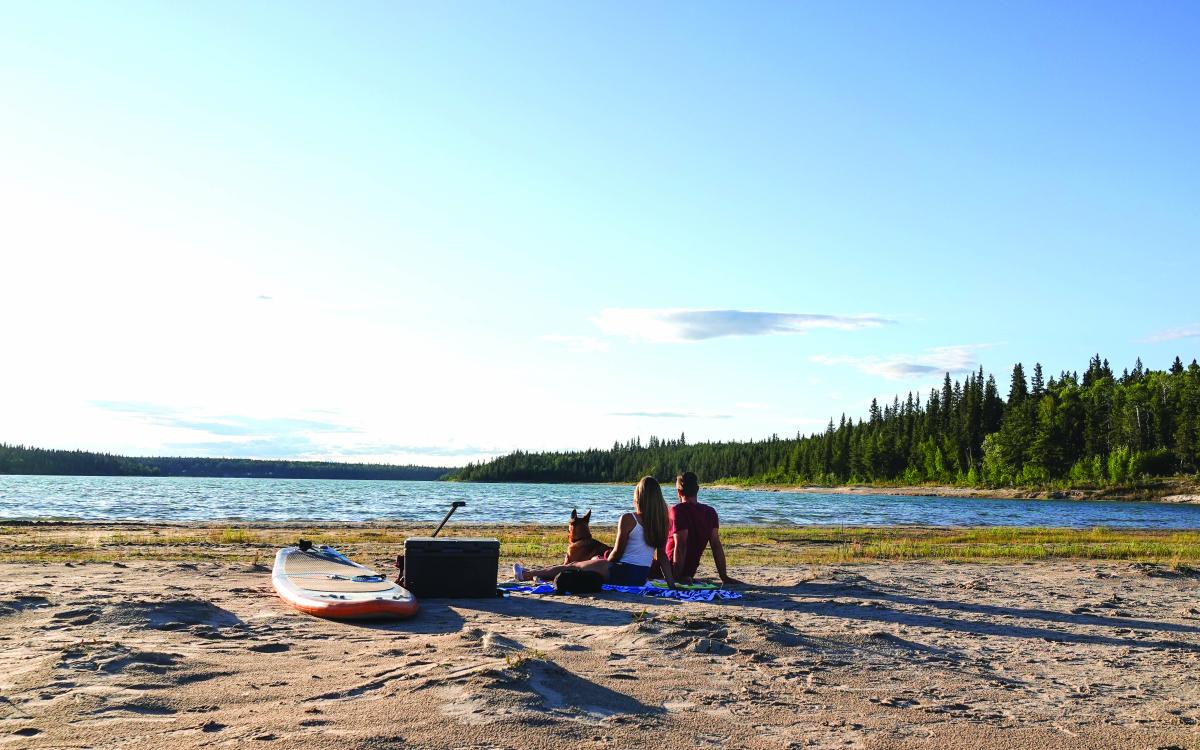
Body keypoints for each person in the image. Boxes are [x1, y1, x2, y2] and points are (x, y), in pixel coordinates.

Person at [514, 476, 676, 589]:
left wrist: (603, 559)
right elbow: (662, 558)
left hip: (620, 571)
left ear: (638, 497)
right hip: (639, 577)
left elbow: (617, 555)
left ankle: (526, 574)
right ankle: (532, 573)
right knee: (582, 567)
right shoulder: (661, 522)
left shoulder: (629, 519)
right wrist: (671, 585)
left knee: (572, 565)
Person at [666, 471, 742, 585]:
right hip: (689, 571)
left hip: (670, 570)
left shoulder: (677, 510)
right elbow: (716, 546)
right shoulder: (710, 512)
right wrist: (724, 576)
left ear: (678, 492)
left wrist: (676, 577)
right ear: (697, 489)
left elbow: (681, 545)